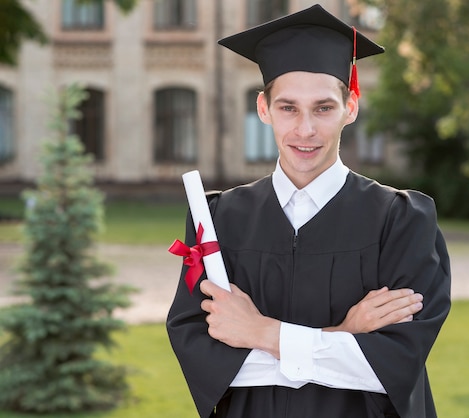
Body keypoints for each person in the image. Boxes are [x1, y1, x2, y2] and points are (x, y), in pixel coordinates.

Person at [166, 4, 451, 418]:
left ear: (349, 108)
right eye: (288, 108)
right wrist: (343, 336)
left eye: (323, 107)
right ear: (263, 108)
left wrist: (260, 332)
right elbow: (210, 369)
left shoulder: (401, 220)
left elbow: (391, 367)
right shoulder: (218, 221)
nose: (305, 130)